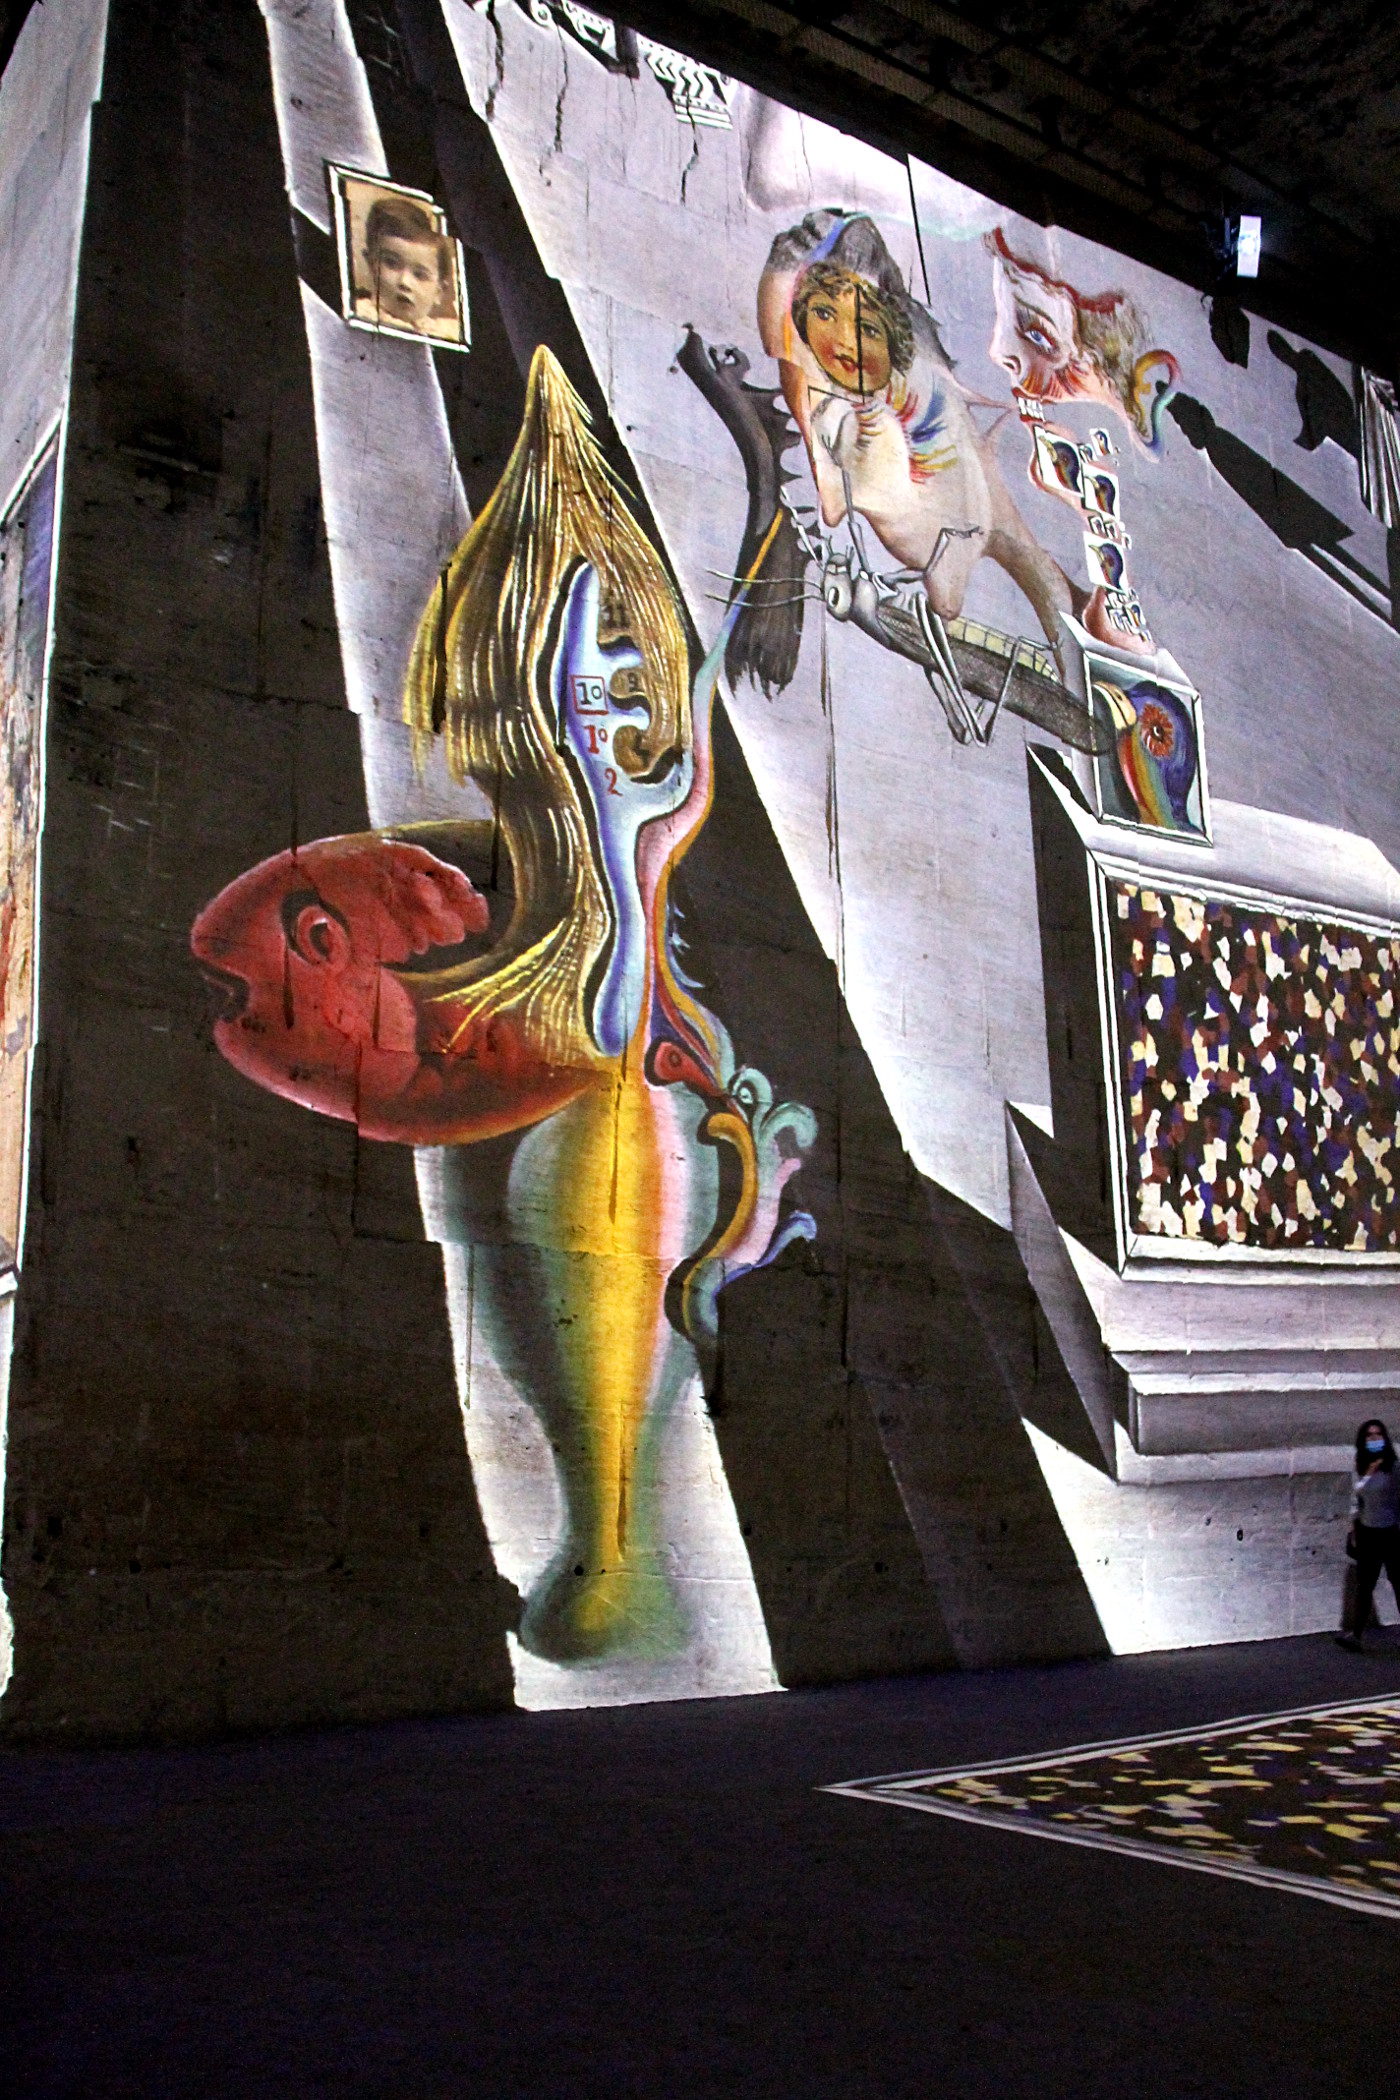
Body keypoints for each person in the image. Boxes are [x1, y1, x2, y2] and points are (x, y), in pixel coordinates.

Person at [1336, 1418, 1400, 1650]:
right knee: (1365, 1586)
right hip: (1368, 1532)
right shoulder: (1360, 1466)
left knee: (1398, 1582)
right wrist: (1354, 1529)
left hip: (1390, 1531)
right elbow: (1357, 1497)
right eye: (1369, 1435)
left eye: (1378, 1434)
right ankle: (1356, 1635)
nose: (1374, 1439)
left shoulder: (1393, 1467)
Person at [360, 196, 453, 335]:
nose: (404, 282)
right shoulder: (361, 314)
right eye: (391, 263)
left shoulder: (442, 332)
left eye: (420, 275)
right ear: (371, 263)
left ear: (439, 292)